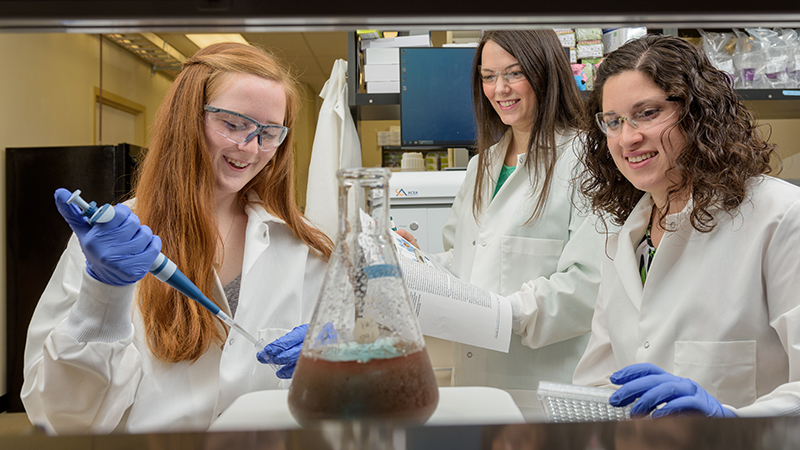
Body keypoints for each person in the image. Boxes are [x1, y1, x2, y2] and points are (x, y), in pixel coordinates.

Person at [21, 42, 332, 434]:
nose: (250, 148)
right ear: (186, 117)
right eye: (234, 124)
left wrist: (339, 361)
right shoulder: (115, 242)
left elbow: (346, 394)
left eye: (268, 133)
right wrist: (103, 297)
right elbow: (58, 417)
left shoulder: (304, 247)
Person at [573, 34, 800, 418]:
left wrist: (730, 423)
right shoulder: (625, 238)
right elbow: (599, 383)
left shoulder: (779, 218)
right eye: (613, 121)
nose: (628, 138)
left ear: (697, 112)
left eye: (647, 113)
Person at [399, 29, 605, 392]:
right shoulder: (481, 166)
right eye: (488, 77)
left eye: (514, 73)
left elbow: (588, 284)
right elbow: (462, 260)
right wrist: (414, 261)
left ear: (545, 73)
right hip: (473, 379)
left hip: (541, 387)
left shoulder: (585, 160)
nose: (499, 89)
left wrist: (504, 315)